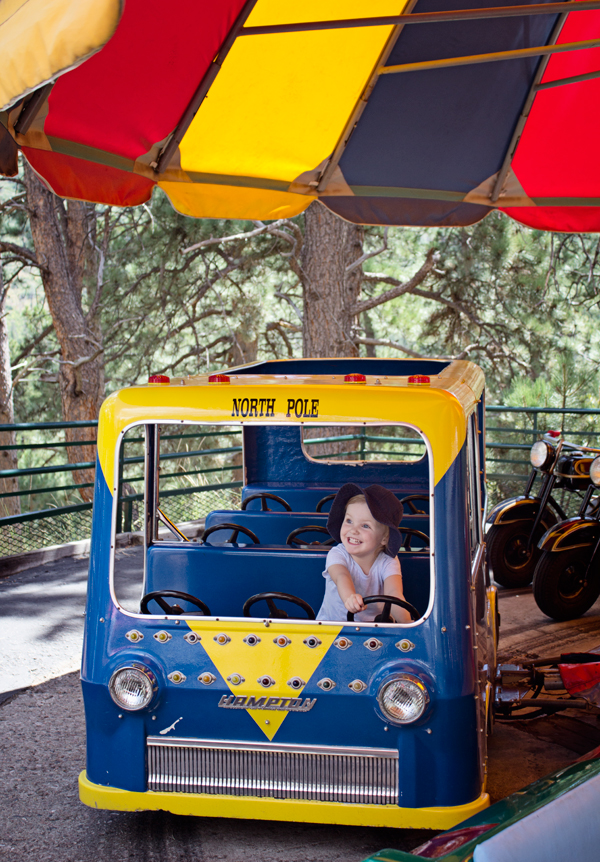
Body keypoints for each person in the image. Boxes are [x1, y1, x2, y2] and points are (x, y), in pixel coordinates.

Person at [317, 482, 411, 623]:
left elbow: (394, 594)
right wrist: (350, 597)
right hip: (332, 628)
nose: (353, 530)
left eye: (365, 525)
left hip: (374, 630)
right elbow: (341, 576)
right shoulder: (337, 554)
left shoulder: (388, 561)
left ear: (384, 538)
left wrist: (408, 623)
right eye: (349, 520)